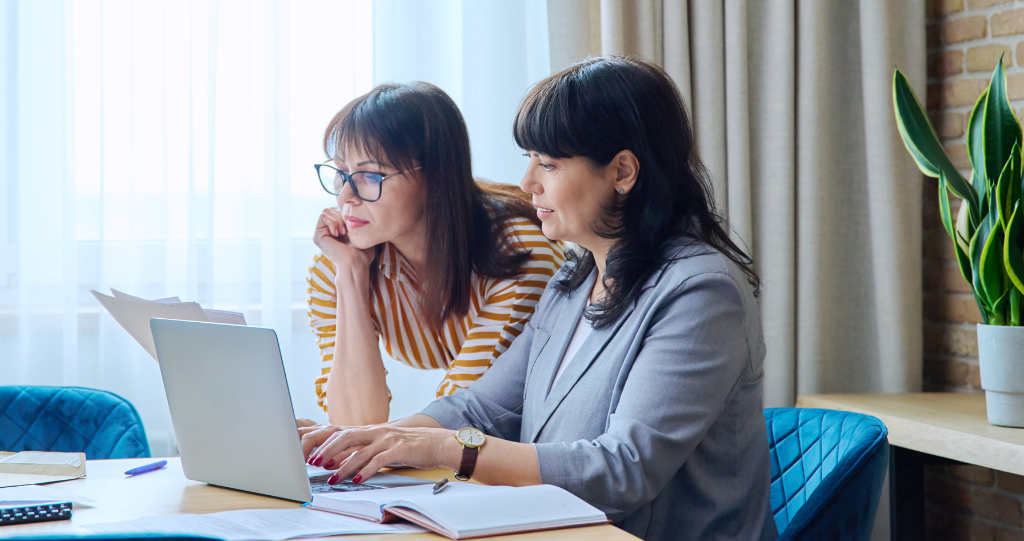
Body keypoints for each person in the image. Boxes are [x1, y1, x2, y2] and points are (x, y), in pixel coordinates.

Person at [300, 57, 778, 541]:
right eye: (529, 159)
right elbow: (481, 410)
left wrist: (440, 450)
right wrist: (369, 441)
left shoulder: (700, 292)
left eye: (548, 164)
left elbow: (624, 470)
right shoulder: (575, 278)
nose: (528, 183)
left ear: (623, 171)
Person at [306, 82, 565, 427]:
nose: (345, 197)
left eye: (369, 175)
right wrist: (350, 276)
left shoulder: (517, 256)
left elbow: (465, 415)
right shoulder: (340, 259)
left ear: (436, 176)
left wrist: (369, 443)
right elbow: (355, 421)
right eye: (341, 173)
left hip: (542, 436)